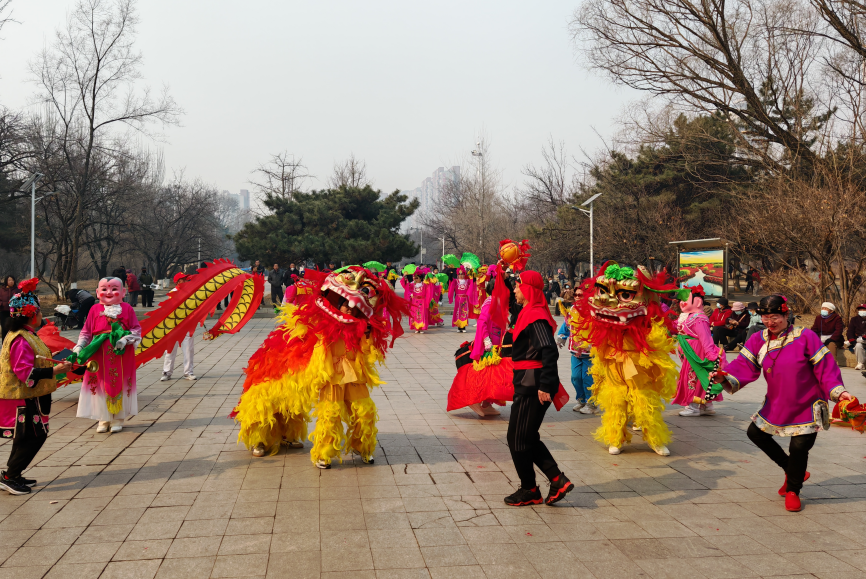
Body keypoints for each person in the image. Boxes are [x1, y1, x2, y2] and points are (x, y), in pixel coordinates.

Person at [231, 267, 408, 464]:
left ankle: (362, 448)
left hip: (355, 376)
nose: (349, 308)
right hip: (330, 375)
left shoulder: (361, 328)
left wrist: (369, 333)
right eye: (345, 304)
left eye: (353, 305)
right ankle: (319, 453)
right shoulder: (321, 323)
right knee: (327, 414)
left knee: (365, 412)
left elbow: (369, 352)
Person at [709, 294, 851, 512]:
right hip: (777, 401)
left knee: (799, 447)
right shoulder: (758, 339)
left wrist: (838, 392)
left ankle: (793, 489)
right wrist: (724, 376)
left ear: (786, 315)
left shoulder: (805, 336)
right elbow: (744, 365)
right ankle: (793, 470)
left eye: (775, 317)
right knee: (755, 434)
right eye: (765, 317)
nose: (770, 322)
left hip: (808, 402)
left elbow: (825, 367)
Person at [504, 270, 573, 506]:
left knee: (518, 439)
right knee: (524, 437)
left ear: (529, 289)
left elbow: (549, 351)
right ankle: (556, 480)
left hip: (534, 384)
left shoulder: (536, 316)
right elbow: (503, 297)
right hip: (527, 380)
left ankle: (530, 489)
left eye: (518, 286)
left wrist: (545, 384)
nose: (515, 290)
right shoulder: (527, 312)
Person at [0, 278, 73, 495]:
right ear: (31, 315)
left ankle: (12, 473)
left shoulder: (26, 335)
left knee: (27, 436)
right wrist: (56, 371)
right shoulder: (20, 339)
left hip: (30, 395)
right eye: (40, 312)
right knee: (32, 436)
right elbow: (25, 373)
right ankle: (11, 476)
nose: (42, 316)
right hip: (21, 397)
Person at [73, 277, 142, 433]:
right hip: (98, 353)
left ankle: (118, 418)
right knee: (100, 382)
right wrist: (80, 346)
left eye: (114, 288)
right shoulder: (94, 310)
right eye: (104, 289)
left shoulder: (127, 309)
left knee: (121, 382)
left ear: (123, 292)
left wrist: (125, 339)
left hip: (122, 353)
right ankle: (103, 418)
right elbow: (86, 331)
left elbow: (136, 330)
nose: (109, 292)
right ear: (97, 292)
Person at [673, 287, 725, 417]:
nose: (681, 303)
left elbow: (705, 337)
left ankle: (693, 406)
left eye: (685, 300)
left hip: (696, 352)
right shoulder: (687, 316)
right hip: (688, 351)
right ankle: (706, 405)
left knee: (694, 376)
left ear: (697, 302)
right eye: (681, 300)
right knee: (699, 376)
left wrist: (710, 354)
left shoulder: (699, 318)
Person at [556, 287, 594, 413]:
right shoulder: (572, 310)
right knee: (576, 377)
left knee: (587, 378)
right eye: (576, 295)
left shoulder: (594, 312)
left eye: (580, 295)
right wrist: (562, 336)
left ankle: (591, 403)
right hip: (575, 352)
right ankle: (581, 400)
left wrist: (593, 342)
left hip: (589, 353)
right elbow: (567, 324)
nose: (577, 297)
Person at [161, 273, 197, 382]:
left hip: (187, 325)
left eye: (186, 279)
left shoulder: (191, 292)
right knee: (170, 349)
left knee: (188, 349)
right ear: (178, 282)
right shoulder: (173, 293)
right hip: (173, 325)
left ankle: (188, 372)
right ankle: (167, 372)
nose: (186, 281)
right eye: (183, 279)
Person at [447, 267, 476, 332]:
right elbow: (450, 280)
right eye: (460, 274)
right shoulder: (456, 281)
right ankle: (459, 327)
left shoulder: (467, 281)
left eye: (462, 274)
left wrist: (474, 274)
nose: (461, 275)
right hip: (458, 299)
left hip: (465, 299)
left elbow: (473, 282)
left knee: (464, 312)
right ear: (457, 274)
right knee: (458, 312)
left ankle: (463, 327)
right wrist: (451, 272)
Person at [844, 303, 866, 371]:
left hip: (864, 338)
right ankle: (860, 363)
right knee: (858, 345)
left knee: (859, 341)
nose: (862, 311)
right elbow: (850, 331)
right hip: (859, 339)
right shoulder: (854, 319)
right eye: (860, 309)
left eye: (863, 309)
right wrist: (851, 339)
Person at [0, 275, 17, 342]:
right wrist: (2, 304)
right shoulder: (1, 290)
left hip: (15, 312)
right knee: (4, 329)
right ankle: (5, 344)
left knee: (14, 329)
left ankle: (14, 344)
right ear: (6, 281)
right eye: (9, 280)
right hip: (4, 312)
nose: (11, 281)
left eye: (12, 280)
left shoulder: (17, 289)